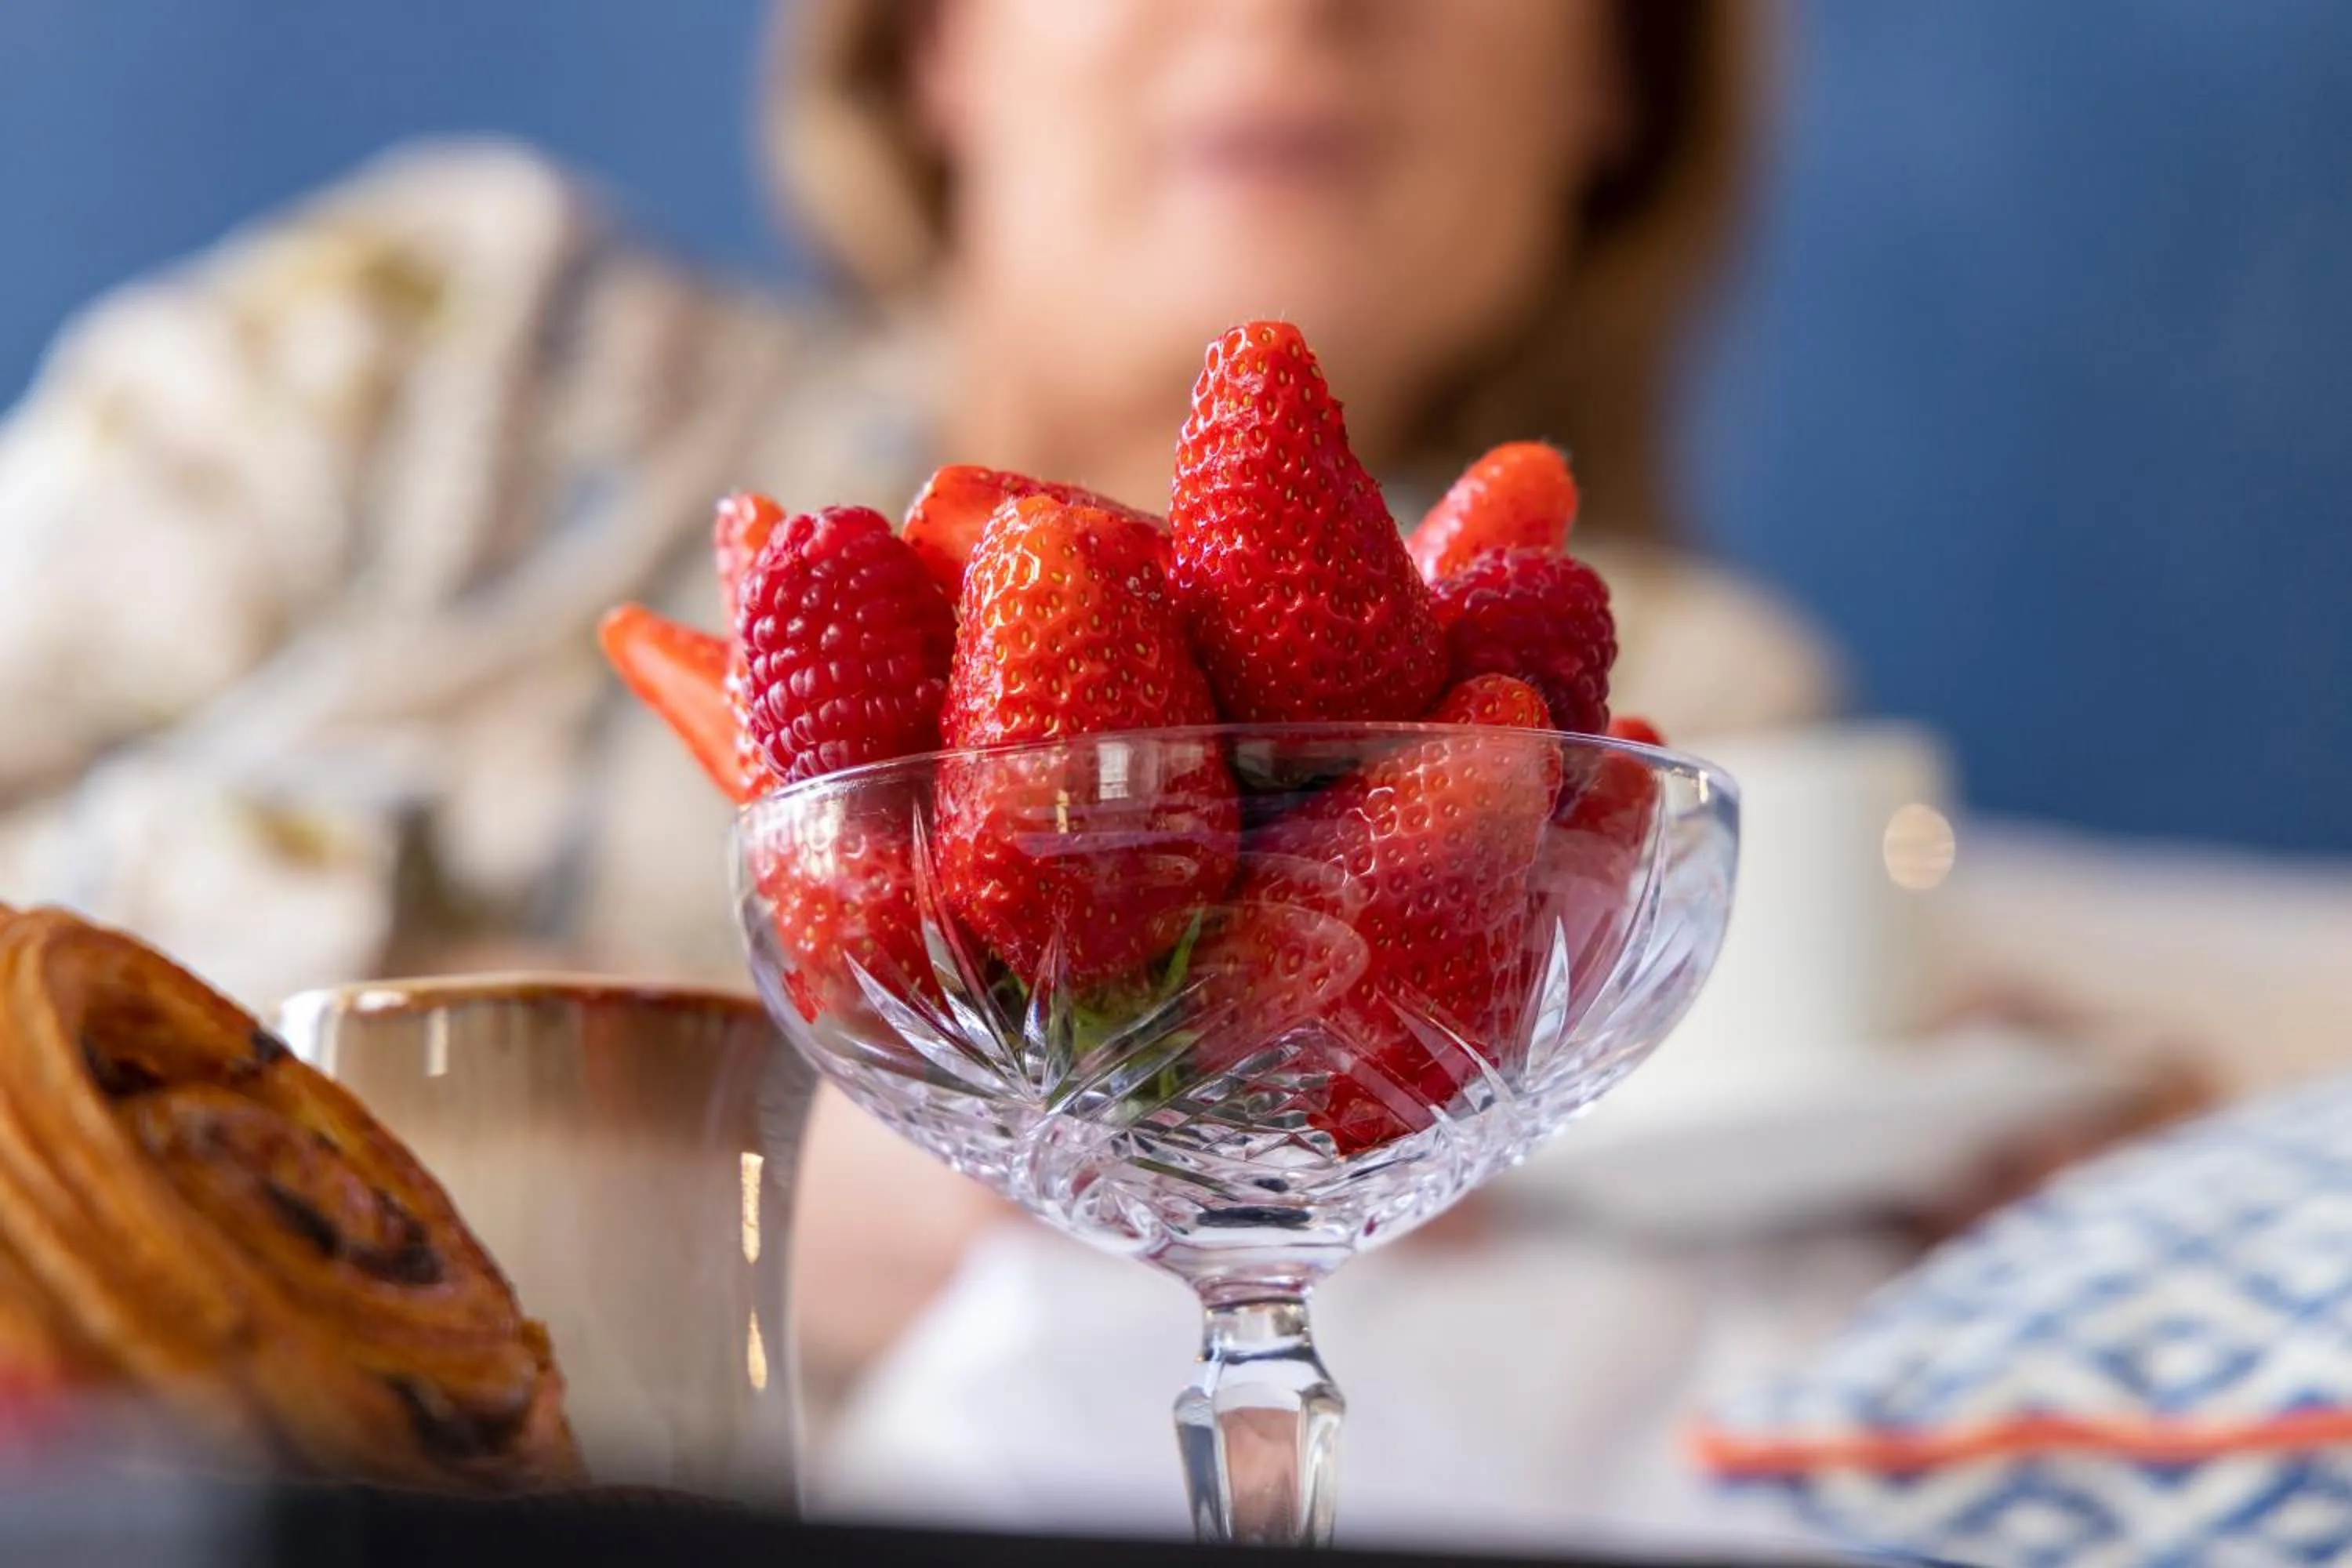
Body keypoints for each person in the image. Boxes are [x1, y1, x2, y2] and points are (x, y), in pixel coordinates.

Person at [0, 0, 1835, 1425]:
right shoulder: (460, 337)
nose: (1299, 6)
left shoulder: (1661, 712)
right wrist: (699, 1177)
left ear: (1621, 83)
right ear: (935, 46)